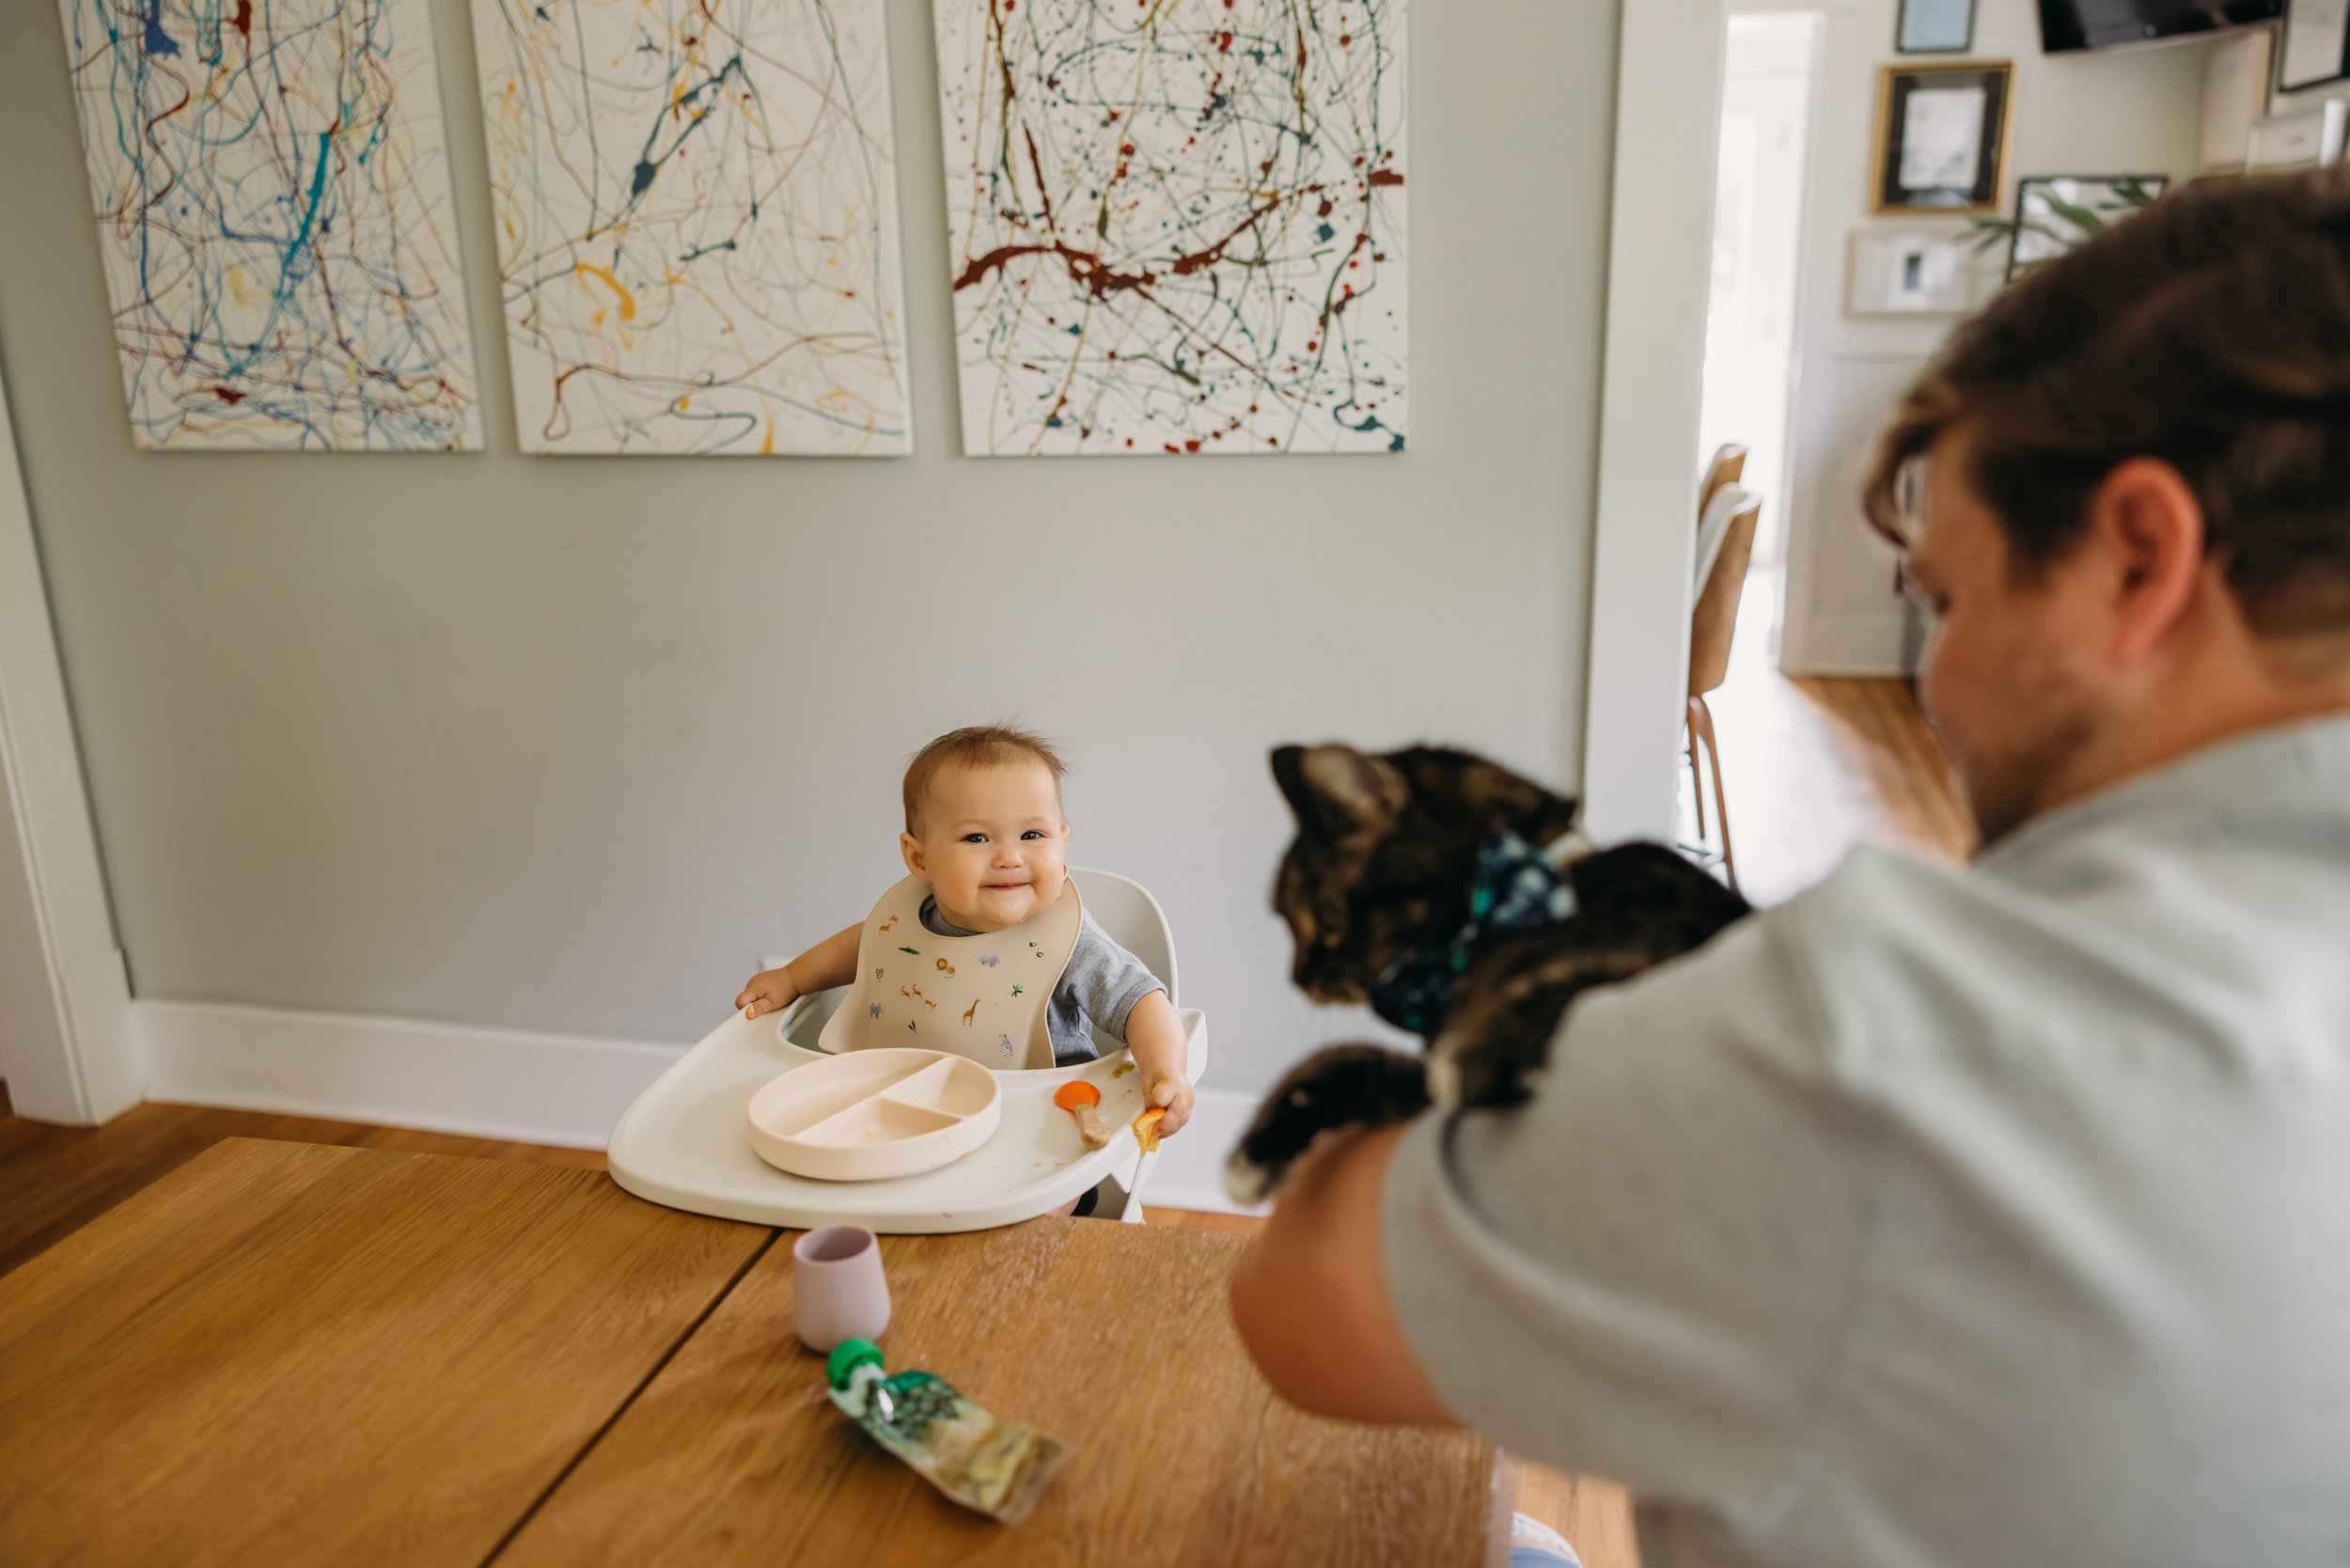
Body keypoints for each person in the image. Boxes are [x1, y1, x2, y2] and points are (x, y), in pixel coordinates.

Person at [1230, 168, 2350, 1568]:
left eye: (1947, 602)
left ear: (2137, 558)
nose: (1936, 687)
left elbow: (1306, 1307)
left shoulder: (1883, 1035)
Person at [735, 726, 1195, 1151]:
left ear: (1062, 840)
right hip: (913, 1112)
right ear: (919, 860)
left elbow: (1141, 1002)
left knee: (1035, 1199)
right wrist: (793, 978)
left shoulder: (1067, 940)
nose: (1010, 856)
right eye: (976, 838)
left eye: (1032, 834)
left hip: (1040, 1125)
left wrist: (1165, 1068)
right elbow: (862, 945)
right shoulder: (903, 926)